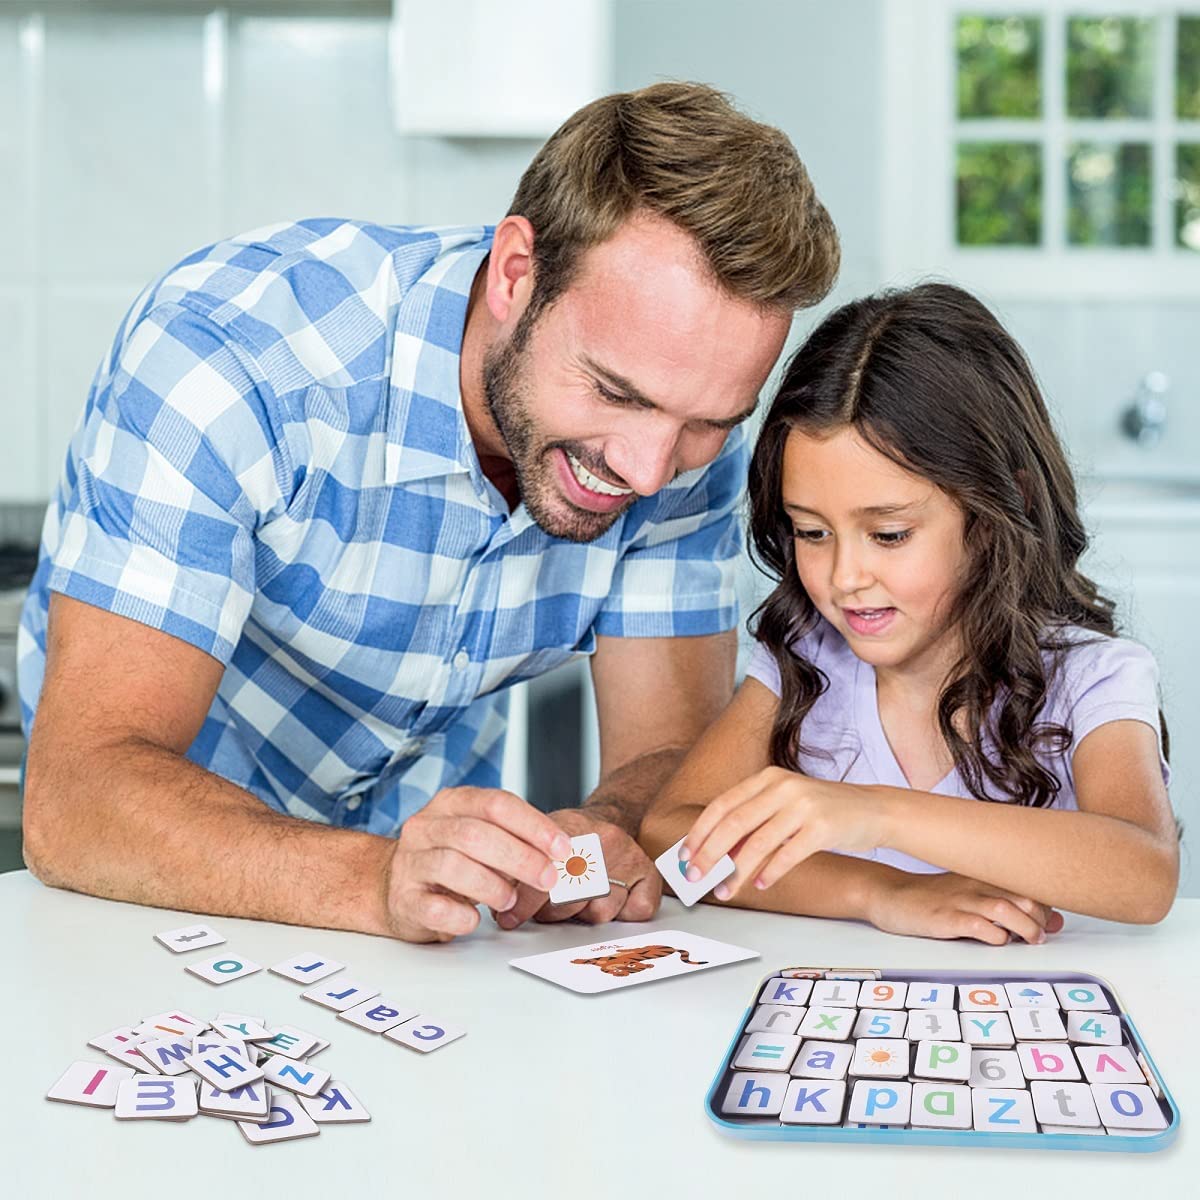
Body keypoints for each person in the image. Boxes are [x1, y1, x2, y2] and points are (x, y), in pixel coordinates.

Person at [17, 83, 840, 943]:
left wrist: (607, 827)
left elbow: (665, 764)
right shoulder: (232, 360)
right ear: (517, 275)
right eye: (614, 392)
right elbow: (81, 795)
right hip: (150, 880)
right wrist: (374, 877)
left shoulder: (678, 445)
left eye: (709, 422)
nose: (648, 469)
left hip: (428, 909)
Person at [641, 282, 1179, 943]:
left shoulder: (1091, 678)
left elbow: (1146, 873)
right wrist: (881, 890)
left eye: (889, 534)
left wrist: (877, 815)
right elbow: (672, 841)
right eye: (812, 531)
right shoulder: (809, 659)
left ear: (995, 512)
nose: (844, 577)